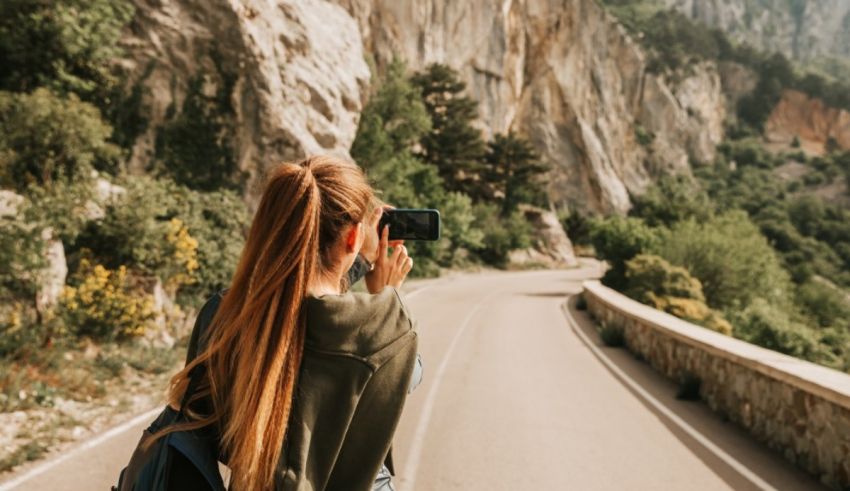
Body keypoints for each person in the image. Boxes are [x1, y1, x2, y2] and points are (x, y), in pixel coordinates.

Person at [150, 156, 421, 490]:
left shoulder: (222, 313)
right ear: (353, 237)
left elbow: (209, 422)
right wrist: (383, 292)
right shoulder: (385, 325)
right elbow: (406, 375)